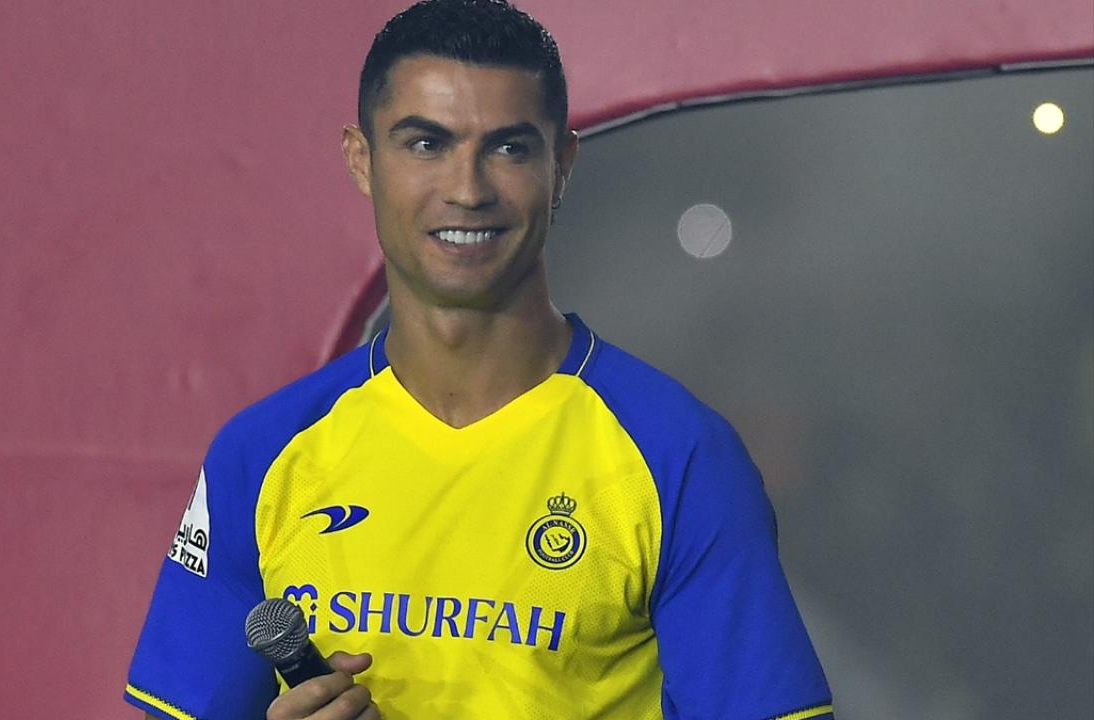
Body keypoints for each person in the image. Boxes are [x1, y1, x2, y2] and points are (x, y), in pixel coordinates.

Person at [125, 1, 833, 718]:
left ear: (562, 166)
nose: (467, 190)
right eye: (426, 144)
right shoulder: (262, 454)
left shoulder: (679, 456)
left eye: (509, 149)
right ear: (362, 160)